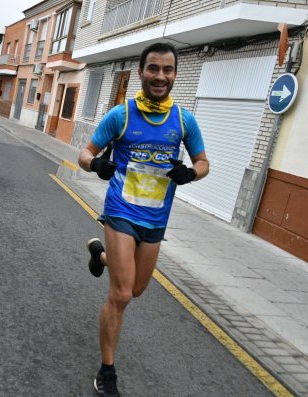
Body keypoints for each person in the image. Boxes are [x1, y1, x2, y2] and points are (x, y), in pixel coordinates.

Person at [78, 42, 210, 397]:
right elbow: (85, 153)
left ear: (175, 75)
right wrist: (98, 164)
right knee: (120, 293)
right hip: (121, 210)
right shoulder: (121, 115)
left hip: (155, 220)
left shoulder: (184, 121)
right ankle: (107, 370)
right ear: (141, 72)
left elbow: (203, 163)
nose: (160, 76)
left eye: (167, 70)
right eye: (153, 68)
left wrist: (190, 174)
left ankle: (101, 257)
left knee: (136, 289)